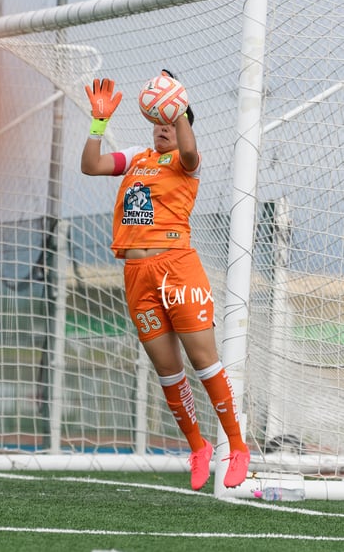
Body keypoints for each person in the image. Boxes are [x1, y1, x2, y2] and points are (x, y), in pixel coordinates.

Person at [81, 71, 250, 491]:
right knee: (167, 369)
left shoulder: (185, 161)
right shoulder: (137, 156)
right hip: (136, 274)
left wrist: (178, 112)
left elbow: (190, 150)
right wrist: (97, 124)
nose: (162, 129)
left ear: (181, 124)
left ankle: (237, 445)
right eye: (157, 122)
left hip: (177, 267)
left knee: (203, 361)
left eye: (170, 123)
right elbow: (91, 166)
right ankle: (198, 446)